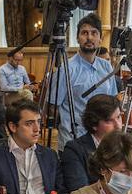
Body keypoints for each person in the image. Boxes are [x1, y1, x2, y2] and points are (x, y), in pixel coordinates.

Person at [48, 13, 116, 146]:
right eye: (84, 33)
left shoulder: (107, 67)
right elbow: (53, 107)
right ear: (77, 38)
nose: (89, 37)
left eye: (94, 33)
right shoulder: (66, 69)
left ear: (100, 39)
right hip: (74, 140)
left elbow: (112, 101)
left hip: (103, 140)